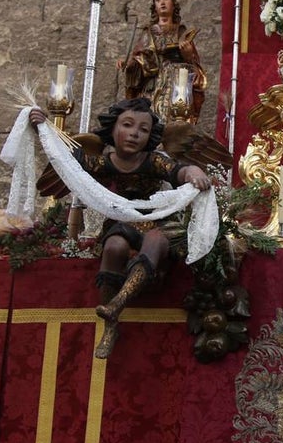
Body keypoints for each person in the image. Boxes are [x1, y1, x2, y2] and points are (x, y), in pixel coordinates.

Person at [29, 98, 211, 359]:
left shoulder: (153, 162)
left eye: (143, 130)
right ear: (112, 129)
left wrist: (194, 172)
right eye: (127, 125)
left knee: (157, 240)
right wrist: (43, 128)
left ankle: (117, 303)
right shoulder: (103, 162)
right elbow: (65, 162)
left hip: (155, 219)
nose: (135, 133)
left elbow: (179, 170)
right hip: (121, 221)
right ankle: (110, 323)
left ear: (150, 136)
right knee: (114, 246)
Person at [119, 0, 208, 124]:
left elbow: (197, 72)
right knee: (150, 120)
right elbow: (136, 66)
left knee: (173, 125)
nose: (162, 2)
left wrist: (188, 57)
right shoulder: (147, 33)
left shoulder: (182, 33)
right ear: (154, 6)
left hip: (175, 88)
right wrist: (129, 65)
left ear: (173, 4)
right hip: (152, 88)